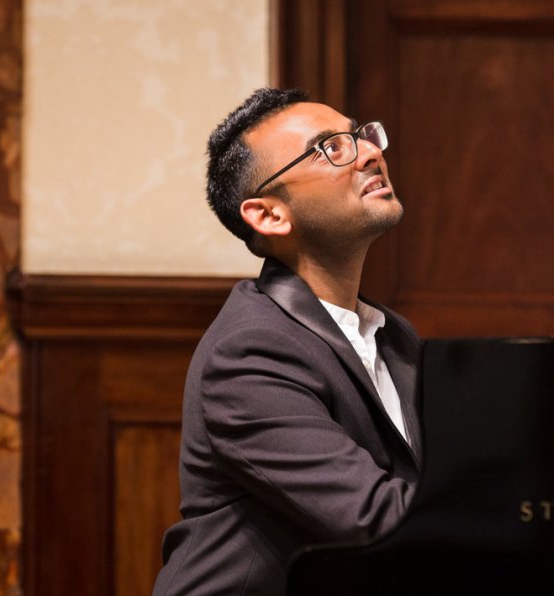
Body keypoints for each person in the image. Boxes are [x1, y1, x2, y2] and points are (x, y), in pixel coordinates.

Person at [152, 87, 422, 595]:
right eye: (330, 147)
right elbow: (373, 516)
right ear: (270, 215)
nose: (370, 152)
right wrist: (531, 519)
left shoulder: (393, 335)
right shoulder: (249, 352)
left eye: (360, 135)